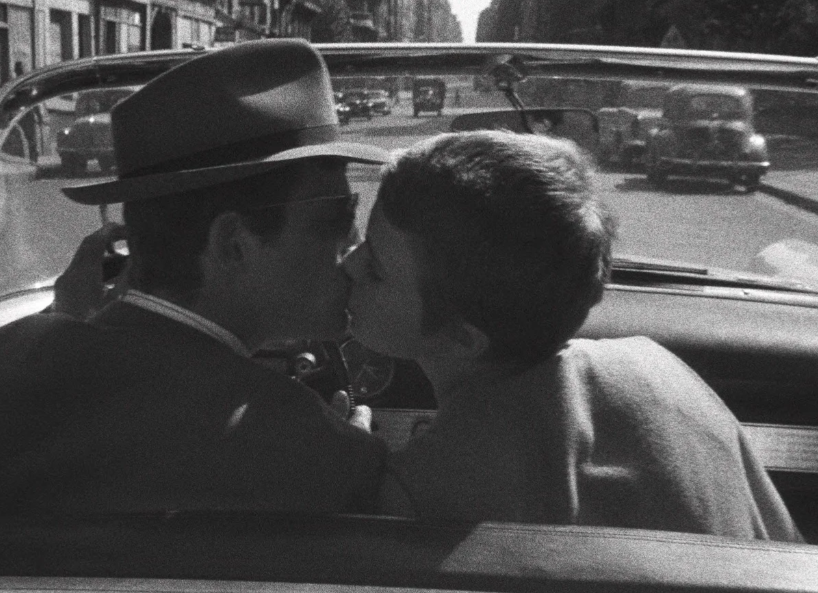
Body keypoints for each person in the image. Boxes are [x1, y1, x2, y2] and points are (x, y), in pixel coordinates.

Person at [0, 39, 389, 522]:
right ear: (233, 242)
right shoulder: (312, 452)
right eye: (337, 218)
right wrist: (350, 452)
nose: (356, 248)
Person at [343, 130, 802, 541]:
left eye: (376, 268)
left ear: (464, 338)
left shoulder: (424, 486)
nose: (349, 264)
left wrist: (351, 460)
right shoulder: (655, 367)